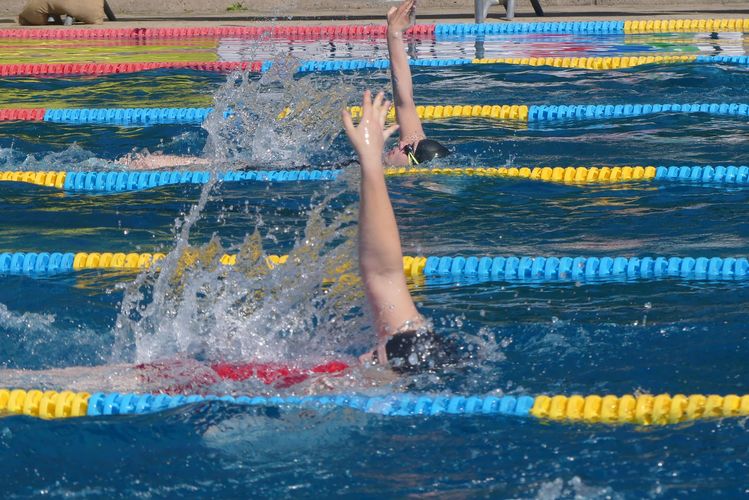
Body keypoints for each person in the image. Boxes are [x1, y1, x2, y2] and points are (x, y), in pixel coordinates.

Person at [0, 90, 455, 395]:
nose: (367, 349)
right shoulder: (378, 375)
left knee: (135, 377)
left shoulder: (349, 380)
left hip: (229, 383)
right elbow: (383, 272)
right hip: (245, 383)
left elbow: (383, 270)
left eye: (374, 352)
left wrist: (371, 163)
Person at [115, 0, 448, 171]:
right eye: (408, 144)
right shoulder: (407, 150)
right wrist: (393, 34)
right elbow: (404, 97)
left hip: (316, 170)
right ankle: (152, 163)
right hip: (311, 164)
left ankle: (153, 164)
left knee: (242, 165)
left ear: (414, 168)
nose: (402, 146)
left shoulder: (392, 179)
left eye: (409, 152)